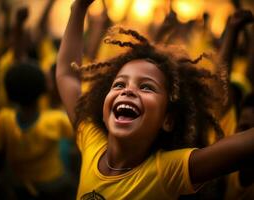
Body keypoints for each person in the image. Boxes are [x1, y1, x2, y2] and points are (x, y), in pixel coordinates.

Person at [56, 0, 254, 199]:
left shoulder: (166, 171)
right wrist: (79, 8)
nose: (128, 91)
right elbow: (67, 74)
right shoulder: (92, 141)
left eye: (146, 87)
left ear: (167, 120)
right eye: (119, 84)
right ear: (104, 110)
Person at [0, 61, 75, 200]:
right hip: (52, 182)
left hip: (18, 184)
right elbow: (81, 133)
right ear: (44, 88)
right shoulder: (56, 120)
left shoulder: (3, 119)